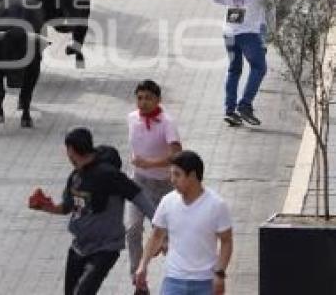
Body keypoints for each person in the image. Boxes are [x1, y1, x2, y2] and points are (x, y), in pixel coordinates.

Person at [28, 128, 155, 295]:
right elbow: (67, 208)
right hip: (79, 247)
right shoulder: (76, 177)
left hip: (104, 248)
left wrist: (160, 225)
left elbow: (139, 197)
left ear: (71, 150)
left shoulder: (109, 175)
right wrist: (44, 206)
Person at [135, 151, 234, 295]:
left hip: (205, 282)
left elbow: (226, 241)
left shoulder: (216, 205)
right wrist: (143, 265)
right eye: (171, 174)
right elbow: (156, 236)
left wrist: (220, 273)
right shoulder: (168, 201)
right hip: (174, 280)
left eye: (177, 174)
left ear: (193, 176)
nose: (172, 179)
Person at [124, 80, 183, 294]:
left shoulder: (167, 122)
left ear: (158, 100)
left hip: (164, 186)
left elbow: (176, 154)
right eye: (139, 97)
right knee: (132, 229)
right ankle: (138, 280)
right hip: (139, 183)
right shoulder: (132, 118)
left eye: (148, 98)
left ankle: (178, 279)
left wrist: (150, 163)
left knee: (169, 238)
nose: (143, 102)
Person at [214, 0, 269, 127]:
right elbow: (268, 4)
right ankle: (245, 104)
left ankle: (230, 110)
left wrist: (236, 2)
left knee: (234, 69)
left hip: (230, 28)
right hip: (249, 30)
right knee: (259, 66)